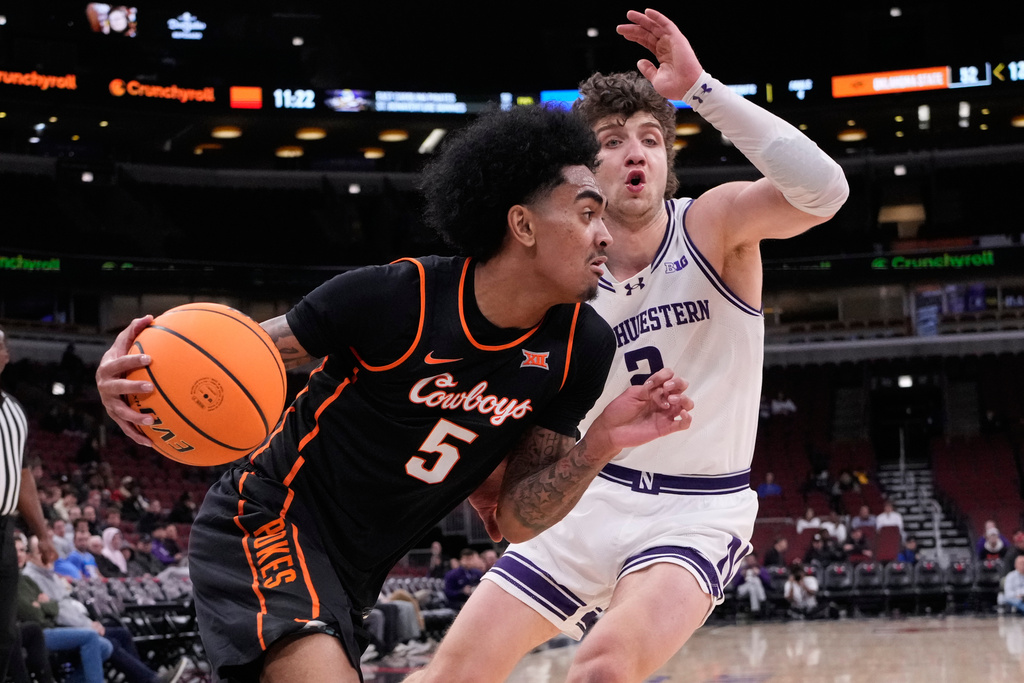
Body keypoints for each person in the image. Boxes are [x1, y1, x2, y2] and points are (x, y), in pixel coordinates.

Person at [94, 103, 693, 682]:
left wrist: (602, 444)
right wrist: (130, 374)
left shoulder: (581, 348)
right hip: (270, 517)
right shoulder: (395, 298)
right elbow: (234, 359)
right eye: (588, 214)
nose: (605, 236)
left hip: (355, 572)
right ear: (524, 225)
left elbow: (515, 518)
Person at [409, 8, 848, 683]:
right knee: (447, 676)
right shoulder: (554, 278)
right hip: (590, 493)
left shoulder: (713, 225)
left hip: (695, 508)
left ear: (667, 158)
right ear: (581, 169)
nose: (635, 151)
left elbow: (825, 191)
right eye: (611, 141)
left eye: (649, 137)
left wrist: (701, 88)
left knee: (603, 667)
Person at [15, 535, 187, 683]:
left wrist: (87, 621)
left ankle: (146, 677)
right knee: (99, 641)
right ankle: (149, 679)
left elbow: (57, 605)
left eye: (22, 550)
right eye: (40, 551)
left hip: (64, 625)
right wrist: (84, 625)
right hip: (51, 629)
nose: (48, 554)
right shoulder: (30, 577)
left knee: (120, 635)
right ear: (32, 556)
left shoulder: (42, 575)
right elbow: (47, 611)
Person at [1, 324, 58, 682]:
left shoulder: (14, 413)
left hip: (3, 531)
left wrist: (44, 534)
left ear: (4, 356)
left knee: (5, 635)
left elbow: (22, 478)